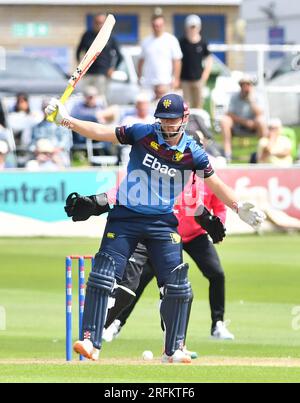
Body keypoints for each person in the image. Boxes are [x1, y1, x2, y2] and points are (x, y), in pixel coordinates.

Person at [45, 93, 265, 363]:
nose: (166, 124)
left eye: (172, 120)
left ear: (184, 120)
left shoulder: (192, 152)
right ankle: (91, 341)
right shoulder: (142, 133)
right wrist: (66, 120)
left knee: (177, 285)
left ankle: (174, 349)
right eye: (162, 119)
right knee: (104, 274)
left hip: (162, 222)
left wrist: (238, 205)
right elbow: (102, 132)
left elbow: (214, 182)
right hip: (125, 216)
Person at [65, 132, 233, 346]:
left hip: (189, 236)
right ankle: (110, 326)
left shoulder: (201, 177)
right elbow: (127, 191)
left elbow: (203, 204)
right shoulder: (164, 172)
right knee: (130, 288)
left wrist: (214, 221)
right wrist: (98, 202)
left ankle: (186, 339)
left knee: (189, 284)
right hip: (156, 236)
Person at [220, 74, 267, 162]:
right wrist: (245, 122)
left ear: (251, 86)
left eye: (248, 84)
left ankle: (263, 153)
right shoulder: (234, 97)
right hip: (238, 126)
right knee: (224, 120)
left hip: (254, 127)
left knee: (261, 121)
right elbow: (229, 113)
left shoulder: (257, 96)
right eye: (243, 84)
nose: (245, 87)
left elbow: (260, 113)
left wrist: (251, 100)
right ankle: (227, 154)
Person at [76, 13, 122, 100]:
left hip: (102, 74)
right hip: (88, 73)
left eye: (101, 23)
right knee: (86, 98)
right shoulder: (87, 35)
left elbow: (119, 56)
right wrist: (80, 67)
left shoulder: (110, 38)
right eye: (97, 23)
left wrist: (112, 68)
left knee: (100, 99)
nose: (98, 25)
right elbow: (78, 51)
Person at [138, 14, 182, 95]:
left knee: (165, 106)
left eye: (160, 25)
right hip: (149, 83)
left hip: (165, 82)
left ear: (164, 25)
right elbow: (141, 61)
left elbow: (177, 61)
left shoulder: (171, 40)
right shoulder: (146, 41)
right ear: (152, 26)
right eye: (155, 25)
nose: (157, 28)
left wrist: (176, 79)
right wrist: (139, 77)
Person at [180, 15, 213, 109]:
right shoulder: (181, 43)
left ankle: (198, 124)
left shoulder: (203, 43)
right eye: (191, 27)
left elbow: (209, 60)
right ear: (186, 27)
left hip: (198, 80)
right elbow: (177, 61)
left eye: (194, 27)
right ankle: (187, 124)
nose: (193, 29)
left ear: (199, 27)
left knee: (198, 106)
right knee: (186, 106)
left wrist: (204, 77)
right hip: (185, 80)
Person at [30, 99, 72, 167]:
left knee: (58, 165)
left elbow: (66, 143)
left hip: (58, 156)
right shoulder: (36, 127)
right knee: (31, 165)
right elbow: (32, 144)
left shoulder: (62, 126)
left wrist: (53, 152)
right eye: (45, 108)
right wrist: (37, 151)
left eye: (51, 109)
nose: (48, 111)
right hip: (40, 156)